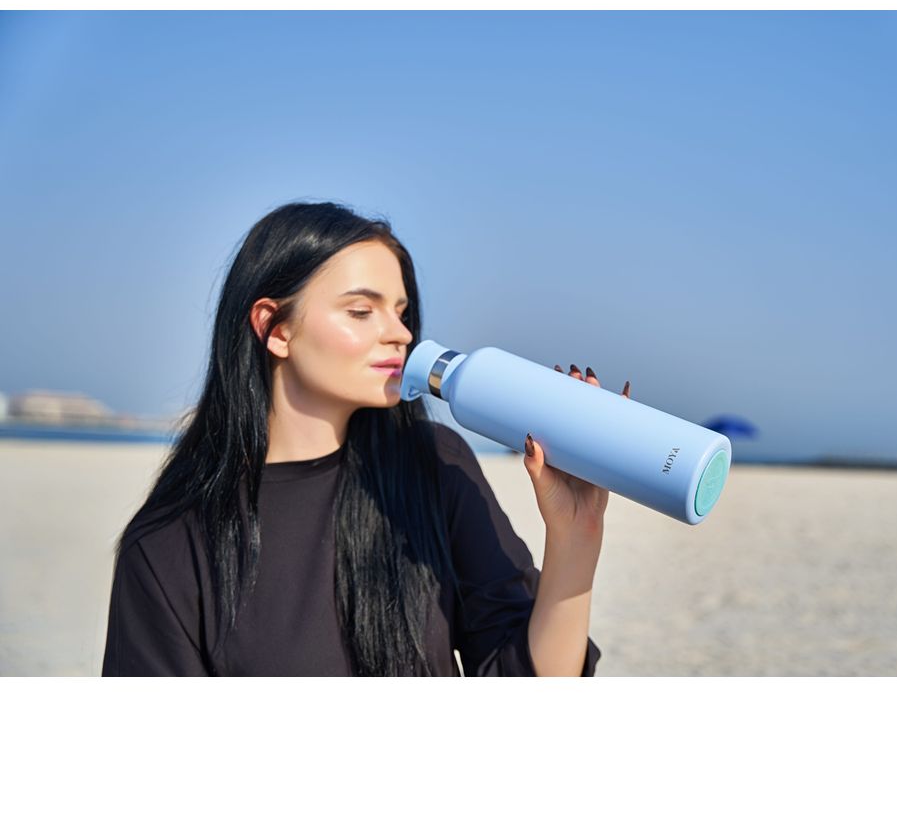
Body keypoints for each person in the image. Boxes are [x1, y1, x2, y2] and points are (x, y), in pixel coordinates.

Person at [102, 200, 615, 676]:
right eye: (361, 311)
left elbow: (522, 678)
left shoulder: (435, 467)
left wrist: (575, 536)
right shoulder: (170, 544)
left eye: (401, 311)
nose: (402, 334)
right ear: (274, 328)